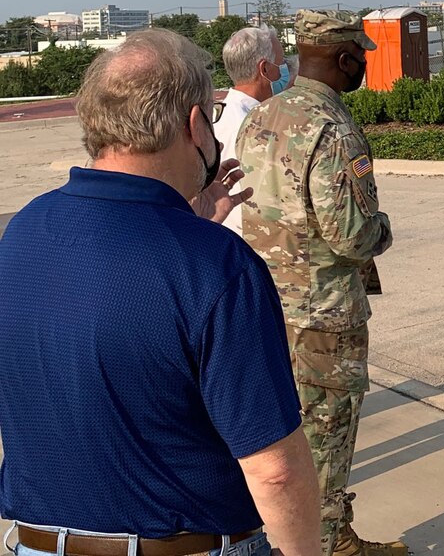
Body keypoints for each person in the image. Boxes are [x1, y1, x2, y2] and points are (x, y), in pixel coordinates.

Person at [0, 29, 320, 556]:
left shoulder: (24, 231)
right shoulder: (219, 267)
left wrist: (186, 226)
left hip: (37, 543)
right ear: (195, 124)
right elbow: (276, 470)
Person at [235, 10, 403, 556]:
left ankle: (290, 537)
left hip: (266, 306)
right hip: (324, 312)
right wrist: (383, 231)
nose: (362, 70)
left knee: (283, 435)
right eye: (360, 60)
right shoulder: (331, 126)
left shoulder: (260, 116)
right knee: (327, 431)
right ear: (345, 58)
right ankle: (329, 541)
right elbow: (352, 235)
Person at [215, 25, 288, 234]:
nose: (286, 70)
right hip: (251, 237)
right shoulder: (256, 125)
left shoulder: (217, 114)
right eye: (282, 64)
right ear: (265, 69)